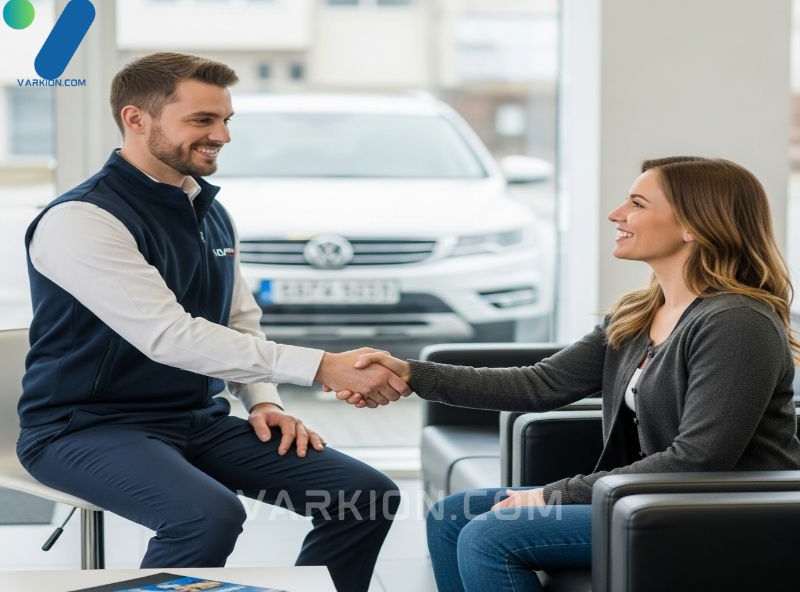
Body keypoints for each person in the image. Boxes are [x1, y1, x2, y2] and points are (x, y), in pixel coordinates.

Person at [16, 52, 410, 592]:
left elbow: (238, 319)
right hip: (84, 428)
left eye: (225, 120)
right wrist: (323, 366)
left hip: (194, 420)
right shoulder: (81, 219)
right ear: (136, 119)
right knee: (206, 516)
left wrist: (264, 401)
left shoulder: (208, 211)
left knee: (365, 496)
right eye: (202, 120)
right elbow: (169, 336)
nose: (222, 135)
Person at [334, 156, 800, 591]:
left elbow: (699, 459)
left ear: (693, 226)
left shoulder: (737, 322)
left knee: (490, 535)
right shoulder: (640, 313)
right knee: (451, 516)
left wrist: (552, 495)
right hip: (650, 498)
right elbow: (539, 384)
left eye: (637, 204)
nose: (616, 214)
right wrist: (411, 374)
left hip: (725, 510)